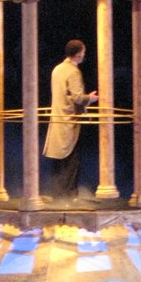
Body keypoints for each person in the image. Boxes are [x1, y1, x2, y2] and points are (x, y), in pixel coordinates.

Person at [43, 39, 98, 198]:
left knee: (59, 161)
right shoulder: (73, 71)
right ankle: (67, 196)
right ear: (79, 53)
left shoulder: (57, 69)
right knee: (71, 161)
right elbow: (78, 98)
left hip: (58, 118)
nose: (84, 55)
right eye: (83, 52)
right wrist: (91, 98)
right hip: (68, 121)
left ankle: (57, 194)